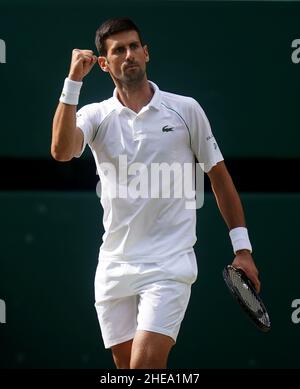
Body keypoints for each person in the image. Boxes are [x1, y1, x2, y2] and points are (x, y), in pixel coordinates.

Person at [51, 17, 260, 369]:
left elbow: (220, 179)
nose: (129, 54)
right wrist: (72, 81)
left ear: (146, 53)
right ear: (104, 64)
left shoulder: (186, 110)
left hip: (169, 264)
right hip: (114, 267)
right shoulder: (95, 115)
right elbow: (60, 150)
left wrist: (243, 249)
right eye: (118, 50)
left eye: (135, 46)